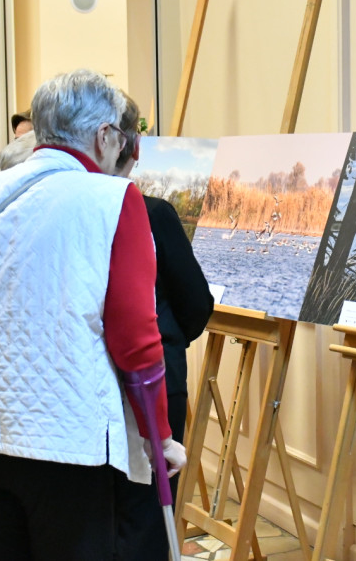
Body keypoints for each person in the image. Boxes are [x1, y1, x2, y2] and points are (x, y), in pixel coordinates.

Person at [0, 69, 186, 561]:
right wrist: (157, 433)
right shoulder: (115, 199)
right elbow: (134, 335)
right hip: (66, 440)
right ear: (104, 135)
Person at [112, 96, 213, 560]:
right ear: (133, 148)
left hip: (90, 388)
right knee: (151, 515)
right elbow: (196, 303)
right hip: (154, 379)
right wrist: (169, 338)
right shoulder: (152, 212)